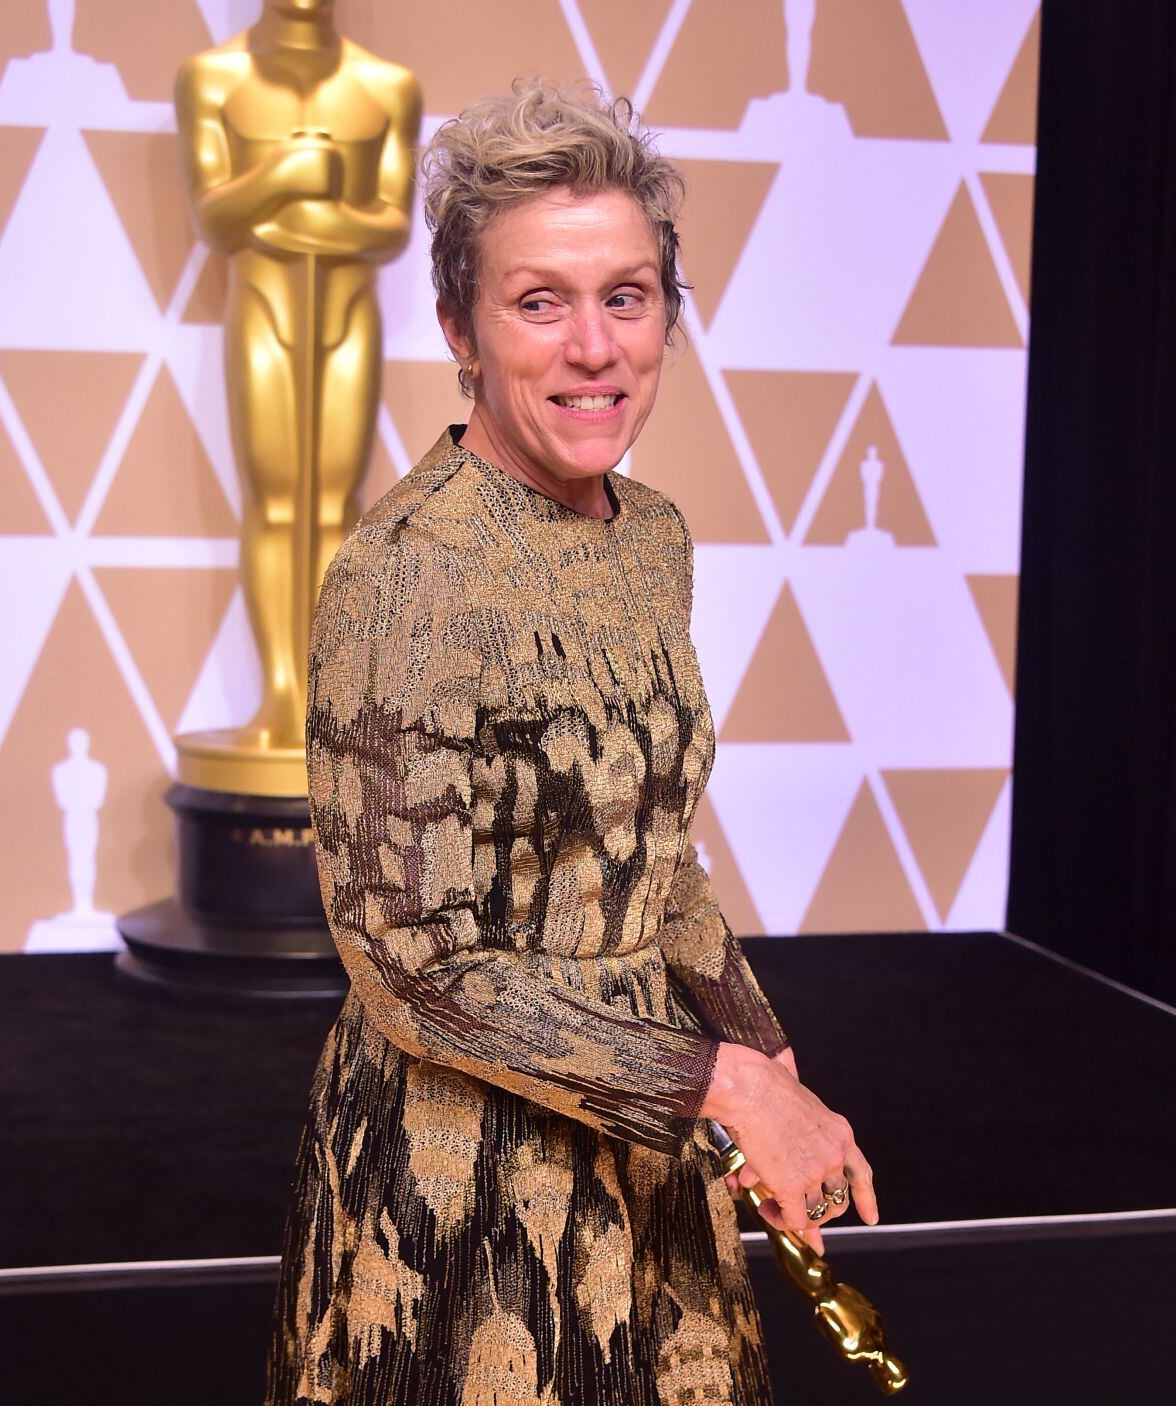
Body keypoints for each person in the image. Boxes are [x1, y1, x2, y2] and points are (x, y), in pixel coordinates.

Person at [265, 79, 878, 1406]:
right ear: (459, 331)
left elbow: (652, 857)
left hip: (654, 1157)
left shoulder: (653, 533)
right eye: (540, 300)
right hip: (459, 1186)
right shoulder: (405, 570)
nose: (593, 346)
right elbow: (411, 965)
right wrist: (719, 1081)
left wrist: (768, 1065)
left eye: (628, 295)